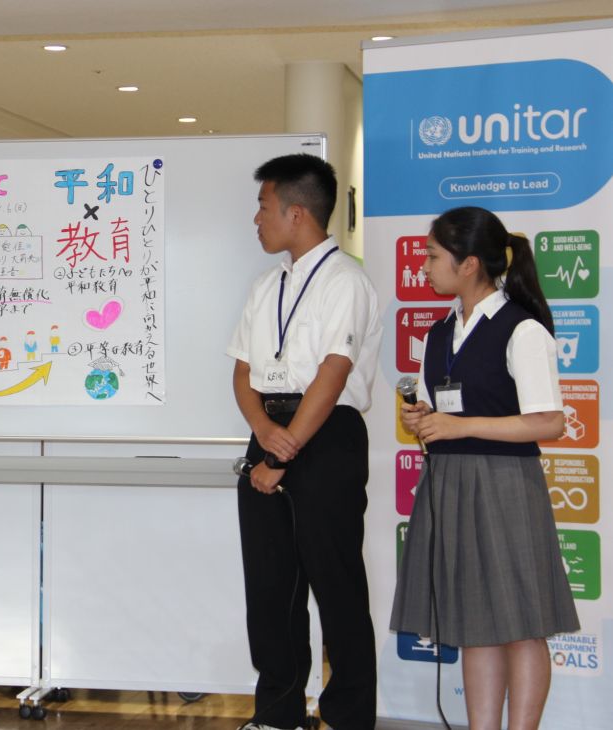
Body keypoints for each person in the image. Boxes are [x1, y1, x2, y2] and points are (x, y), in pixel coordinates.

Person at [391, 206, 578, 730]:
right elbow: (445, 415)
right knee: (476, 623)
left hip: (504, 485)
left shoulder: (522, 330)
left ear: (469, 263)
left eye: (432, 256)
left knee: (521, 624)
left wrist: (462, 426)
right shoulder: (438, 334)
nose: (423, 266)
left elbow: (549, 422)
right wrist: (426, 420)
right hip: (448, 485)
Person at [227, 154, 382, 730]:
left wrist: (285, 447)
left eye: (263, 207)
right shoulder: (266, 284)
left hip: (325, 435)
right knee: (270, 589)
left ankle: (346, 717)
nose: (256, 219)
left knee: (336, 586)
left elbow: (334, 372)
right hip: (268, 431)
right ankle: (277, 714)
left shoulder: (346, 281)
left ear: (297, 212)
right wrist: (266, 436)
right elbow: (243, 372)